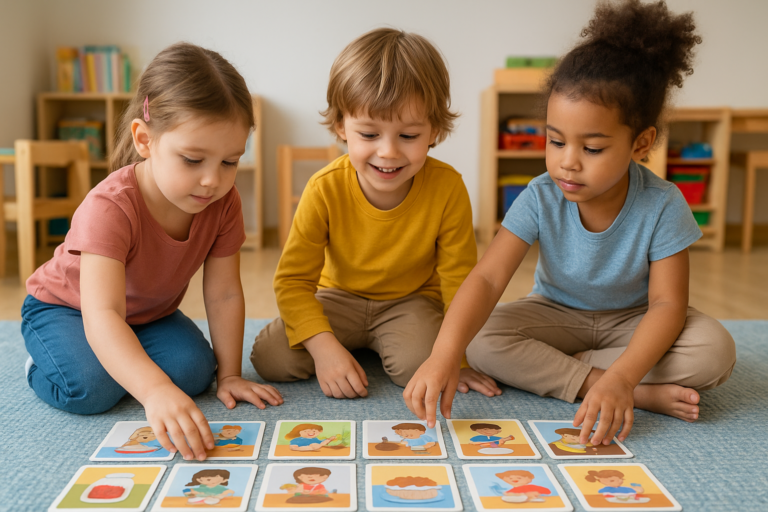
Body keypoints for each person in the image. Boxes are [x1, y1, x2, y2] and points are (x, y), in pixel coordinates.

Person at [404, 0, 736, 447]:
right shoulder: (541, 194)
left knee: (715, 351)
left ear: (641, 143)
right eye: (555, 140)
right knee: (480, 340)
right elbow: (486, 278)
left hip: (633, 321)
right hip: (556, 314)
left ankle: (603, 378)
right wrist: (444, 355)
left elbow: (666, 307)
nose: (567, 163)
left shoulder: (663, 203)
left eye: (593, 148)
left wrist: (621, 372)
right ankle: (632, 391)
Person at [21, 42, 283, 462]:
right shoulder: (110, 206)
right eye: (193, 159)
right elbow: (102, 313)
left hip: (147, 315)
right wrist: (153, 390)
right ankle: (41, 364)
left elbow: (224, 294)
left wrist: (230, 374)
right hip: (67, 309)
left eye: (230, 162)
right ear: (145, 140)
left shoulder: (224, 204)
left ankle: (128, 360)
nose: (212, 181)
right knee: (90, 389)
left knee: (197, 372)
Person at [250, 28, 499, 399]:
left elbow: (460, 282)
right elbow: (293, 282)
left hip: (412, 300)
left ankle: (374, 346)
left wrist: (457, 361)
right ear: (341, 127)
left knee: (420, 365)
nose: (388, 152)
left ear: (434, 131)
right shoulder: (324, 188)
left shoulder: (448, 187)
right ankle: (350, 348)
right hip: (338, 298)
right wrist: (324, 349)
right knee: (271, 358)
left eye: (408, 136)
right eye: (368, 135)